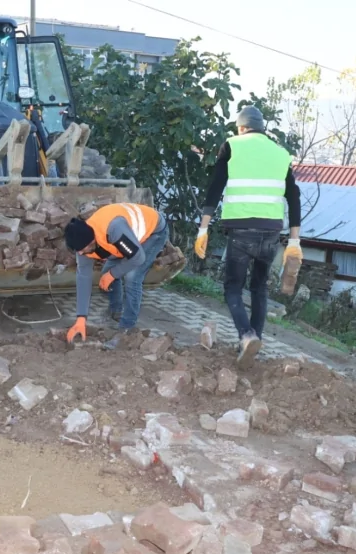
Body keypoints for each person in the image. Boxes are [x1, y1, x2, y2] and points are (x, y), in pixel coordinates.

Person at [194, 105, 303, 367]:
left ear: (241, 128)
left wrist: (203, 228)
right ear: (262, 128)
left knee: (233, 287)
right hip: (271, 232)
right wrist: (295, 240)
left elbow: (215, 187)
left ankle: (246, 336)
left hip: (242, 230)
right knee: (259, 288)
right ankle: (255, 342)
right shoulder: (280, 153)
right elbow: (294, 196)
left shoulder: (232, 145)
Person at [63, 202, 169, 350]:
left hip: (153, 232)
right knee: (107, 273)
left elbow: (138, 258)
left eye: (83, 250)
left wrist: (113, 274)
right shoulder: (83, 244)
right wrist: (81, 318)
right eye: (78, 251)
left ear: (92, 240)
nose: (81, 254)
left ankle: (127, 328)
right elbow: (83, 278)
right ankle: (116, 312)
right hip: (128, 238)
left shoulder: (114, 230)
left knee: (132, 277)